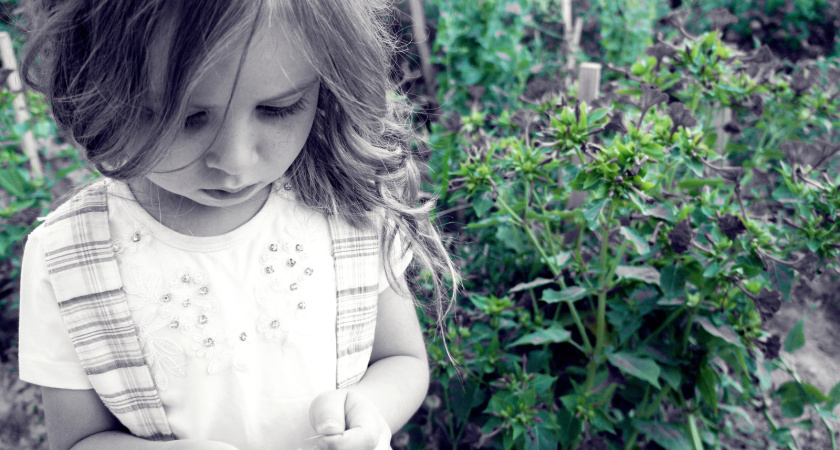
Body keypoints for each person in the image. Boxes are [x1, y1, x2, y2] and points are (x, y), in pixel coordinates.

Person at [16, 1, 456, 449]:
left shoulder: (348, 207)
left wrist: (367, 411)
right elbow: (78, 441)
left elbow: (401, 359)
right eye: (187, 119)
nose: (234, 160)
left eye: (279, 108)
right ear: (97, 90)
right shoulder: (67, 258)